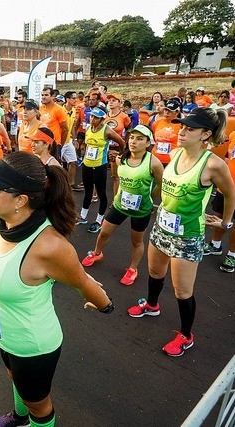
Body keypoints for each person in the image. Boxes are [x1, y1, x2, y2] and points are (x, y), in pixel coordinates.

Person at [0, 152, 113, 427]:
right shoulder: (8, 223)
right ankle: (18, 416)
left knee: (39, 405)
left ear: (21, 200)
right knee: (16, 382)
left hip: (31, 346)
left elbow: (82, 281)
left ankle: (31, 418)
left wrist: (104, 304)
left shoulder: (50, 246)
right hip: (5, 335)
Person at [127, 108, 235, 357]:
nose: (182, 131)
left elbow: (230, 193)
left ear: (205, 134)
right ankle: (152, 305)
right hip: (162, 227)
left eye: (189, 128)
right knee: (154, 272)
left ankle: (186, 336)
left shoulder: (213, 164)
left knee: (182, 291)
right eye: (182, 127)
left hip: (187, 236)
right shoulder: (175, 154)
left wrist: (225, 222)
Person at [81, 125, 164, 285]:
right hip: (120, 205)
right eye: (132, 137)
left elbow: (160, 185)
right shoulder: (120, 158)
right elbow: (117, 179)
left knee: (136, 241)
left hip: (141, 209)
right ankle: (97, 253)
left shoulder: (154, 163)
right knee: (104, 233)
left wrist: (150, 199)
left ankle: (133, 268)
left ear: (148, 143)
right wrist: (117, 196)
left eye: (140, 139)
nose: (134, 142)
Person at [76, 107, 125, 234]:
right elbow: (87, 145)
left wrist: (118, 154)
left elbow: (121, 142)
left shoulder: (107, 130)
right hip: (87, 164)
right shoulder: (88, 129)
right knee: (88, 191)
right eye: (92, 116)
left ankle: (98, 221)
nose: (93, 119)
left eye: (96, 117)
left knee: (102, 193)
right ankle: (83, 216)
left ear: (102, 119)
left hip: (100, 166)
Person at [203, 128, 235, 273]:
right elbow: (228, 158)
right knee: (220, 216)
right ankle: (215, 245)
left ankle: (232, 254)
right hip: (225, 187)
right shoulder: (233, 135)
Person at [151, 99, 182, 168]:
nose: (167, 113)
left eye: (170, 111)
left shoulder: (181, 125)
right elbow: (154, 138)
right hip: (156, 159)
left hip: (172, 160)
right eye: (165, 110)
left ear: (177, 112)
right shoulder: (156, 123)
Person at [39, 87, 68, 160]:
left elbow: (65, 129)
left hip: (54, 145)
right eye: (42, 95)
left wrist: (60, 144)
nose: (43, 97)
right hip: (42, 144)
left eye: (46, 95)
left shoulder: (59, 109)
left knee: (53, 168)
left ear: (52, 96)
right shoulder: (40, 108)